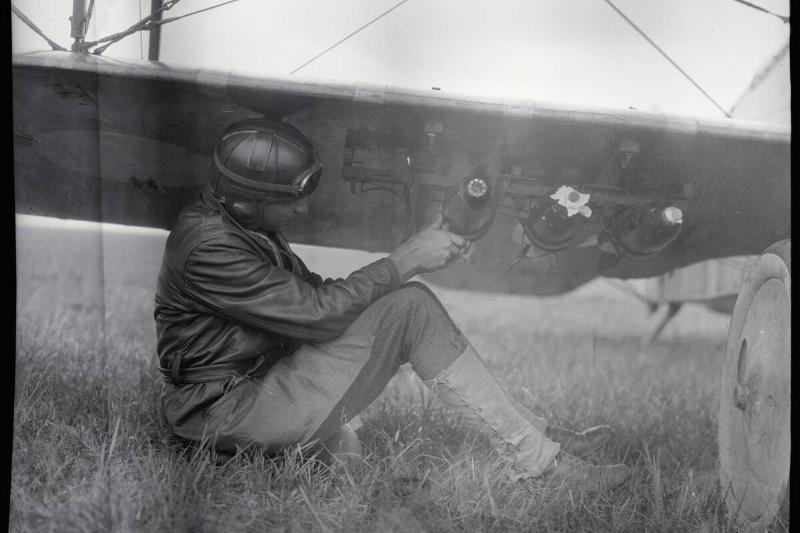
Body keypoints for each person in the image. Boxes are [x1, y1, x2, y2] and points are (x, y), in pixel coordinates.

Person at [154, 118, 629, 490]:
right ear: (248, 201)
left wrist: (419, 247)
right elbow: (320, 314)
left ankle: (542, 438)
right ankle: (538, 460)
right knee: (411, 308)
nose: (300, 208)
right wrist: (405, 261)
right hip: (224, 412)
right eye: (289, 199)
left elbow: (319, 295)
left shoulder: (238, 226)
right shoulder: (209, 247)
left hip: (255, 387)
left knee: (405, 305)